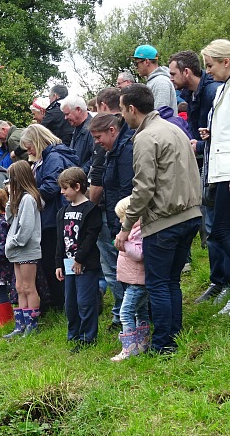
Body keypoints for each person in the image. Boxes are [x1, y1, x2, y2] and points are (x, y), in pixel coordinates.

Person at [115, 83, 202, 353]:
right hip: (191, 215)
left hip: (165, 220)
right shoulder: (174, 128)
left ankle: (164, 345)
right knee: (171, 281)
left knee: (158, 284)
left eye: (121, 110)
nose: (121, 116)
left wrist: (126, 228)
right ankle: (174, 337)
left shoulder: (145, 137)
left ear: (132, 109)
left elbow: (143, 189)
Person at [169, 49, 228, 303]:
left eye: (173, 73)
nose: (170, 79)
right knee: (213, 228)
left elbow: (223, 135)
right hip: (209, 166)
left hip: (218, 165)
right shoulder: (191, 95)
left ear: (186, 71)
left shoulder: (213, 91)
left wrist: (202, 145)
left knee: (220, 230)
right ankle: (218, 281)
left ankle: (224, 283)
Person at [20, 124, 78, 311]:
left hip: (54, 217)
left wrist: (29, 196)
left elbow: (52, 186)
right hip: (54, 215)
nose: (30, 151)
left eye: (30, 147)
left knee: (54, 259)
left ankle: (61, 301)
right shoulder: (53, 156)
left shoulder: (52, 158)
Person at [89, 111, 134, 331]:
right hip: (113, 215)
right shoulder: (110, 150)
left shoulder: (125, 151)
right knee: (113, 270)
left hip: (123, 219)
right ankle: (123, 314)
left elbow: (126, 189)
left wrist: (123, 225)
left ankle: (127, 316)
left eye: (98, 137)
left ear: (112, 130)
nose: (97, 142)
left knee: (121, 271)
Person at [55, 167, 102, 352]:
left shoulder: (91, 210)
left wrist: (80, 259)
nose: (62, 192)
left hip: (85, 265)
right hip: (67, 264)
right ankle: (73, 334)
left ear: (76, 186)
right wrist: (58, 263)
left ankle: (87, 337)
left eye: (65, 188)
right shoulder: (62, 212)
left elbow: (91, 237)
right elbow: (60, 240)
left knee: (85, 301)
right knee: (71, 303)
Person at [201, 39, 230, 313]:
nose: (207, 71)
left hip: (228, 171)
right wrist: (212, 135)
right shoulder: (222, 89)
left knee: (222, 231)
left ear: (226, 62)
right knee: (221, 232)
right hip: (220, 169)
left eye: (210, 65)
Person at [3, 160, 43, 338]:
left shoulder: (28, 199)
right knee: (19, 287)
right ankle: (21, 325)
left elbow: (26, 227)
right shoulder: (19, 199)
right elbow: (10, 220)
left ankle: (32, 326)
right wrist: (10, 199)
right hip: (17, 251)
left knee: (28, 286)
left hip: (26, 248)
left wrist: (13, 242)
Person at [110, 196, 150, 361]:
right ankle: (142, 344)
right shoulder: (134, 232)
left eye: (122, 218)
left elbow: (140, 254)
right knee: (141, 312)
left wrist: (124, 244)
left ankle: (129, 349)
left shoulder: (138, 232)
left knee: (125, 313)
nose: (120, 222)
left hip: (137, 281)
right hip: (133, 279)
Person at [131, 44, 177, 114]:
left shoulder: (160, 82)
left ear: (146, 62)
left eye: (136, 63)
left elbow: (160, 116)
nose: (136, 67)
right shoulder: (155, 81)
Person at [60, 95, 94, 174]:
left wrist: (79, 174)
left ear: (78, 110)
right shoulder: (76, 128)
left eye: (67, 114)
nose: (65, 118)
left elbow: (95, 158)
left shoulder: (92, 129)